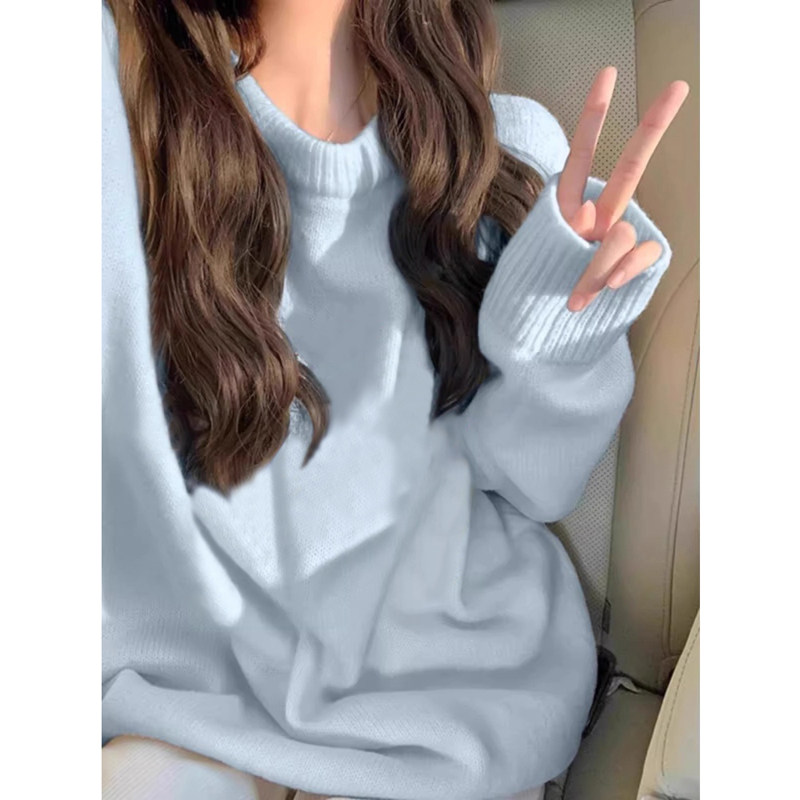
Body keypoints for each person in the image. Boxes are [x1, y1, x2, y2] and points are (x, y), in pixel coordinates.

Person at [101, 0, 688, 798]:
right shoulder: (119, 99)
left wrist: (553, 332)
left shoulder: (500, 154)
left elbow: (532, 483)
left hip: (452, 692)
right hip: (187, 690)